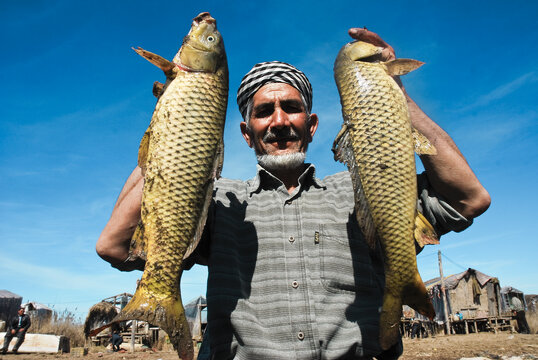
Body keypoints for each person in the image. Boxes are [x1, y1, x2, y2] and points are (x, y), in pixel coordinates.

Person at [96, 28, 490, 359]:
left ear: (312, 124)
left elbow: (470, 199)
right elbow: (114, 245)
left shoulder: (364, 190)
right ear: (246, 133)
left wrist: (390, 96)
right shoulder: (218, 203)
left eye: (291, 107)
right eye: (264, 111)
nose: (279, 121)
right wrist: (176, 124)